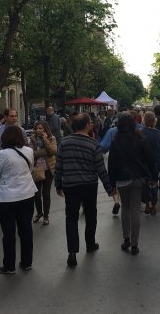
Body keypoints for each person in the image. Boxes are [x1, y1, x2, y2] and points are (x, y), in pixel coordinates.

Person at [55, 112, 116, 267]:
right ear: (88, 125)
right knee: (90, 214)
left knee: (71, 217)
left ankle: (72, 251)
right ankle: (90, 244)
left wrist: (58, 184)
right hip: (89, 184)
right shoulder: (93, 144)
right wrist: (110, 189)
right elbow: (101, 169)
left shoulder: (64, 143)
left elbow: (59, 165)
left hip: (70, 185)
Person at [0, 125, 37, 274]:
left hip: (7, 198)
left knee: (9, 233)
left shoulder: (2, 154)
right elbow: (30, 169)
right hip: (27, 194)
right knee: (26, 230)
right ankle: (27, 262)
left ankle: (9, 266)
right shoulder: (29, 151)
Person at [108, 113, 157, 255]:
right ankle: (135, 244)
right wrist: (154, 177)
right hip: (138, 178)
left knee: (126, 208)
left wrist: (111, 184)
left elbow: (112, 164)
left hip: (122, 179)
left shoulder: (116, 141)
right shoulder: (141, 139)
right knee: (136, 209)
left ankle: (126, 239)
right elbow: (150, 159)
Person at [29, 121, 57, 225]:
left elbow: (53, 151)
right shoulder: (32, 139)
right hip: (37, 170)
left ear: (45, 129)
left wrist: (45, 140)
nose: (38, 130)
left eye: (40, 128)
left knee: (46, 194)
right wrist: (45, 151)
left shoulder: (51, 138)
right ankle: (39, 212)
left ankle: (46, 216)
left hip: (49, 169)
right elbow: (31, 154)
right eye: (37, 128)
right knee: (36, 194)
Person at [140, 111, 160, 210]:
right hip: (156, 161)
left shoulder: (141, 133)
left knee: (145, 182)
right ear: (154, 121)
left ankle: (147, 202)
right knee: (154, 181)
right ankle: (153, 204)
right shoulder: (158, 133)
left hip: (144, 161)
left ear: (144, 121)